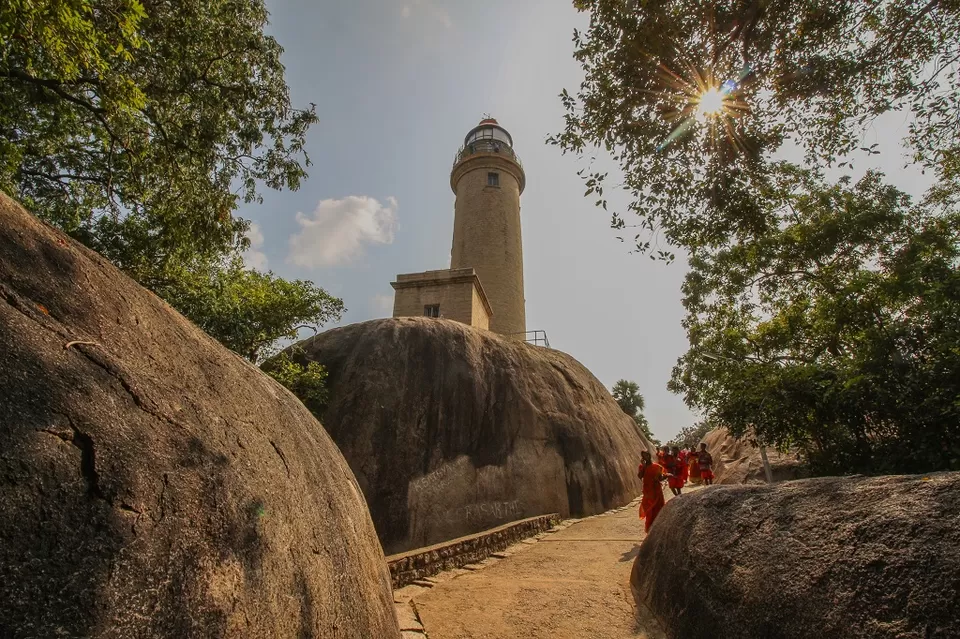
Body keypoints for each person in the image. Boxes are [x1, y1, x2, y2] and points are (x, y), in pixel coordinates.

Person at [637, 450, 669, 533]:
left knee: (658, 508)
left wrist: (666, 476)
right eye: (643, 456)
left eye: (646, 455)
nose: (645, 457)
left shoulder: (656, 466)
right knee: (649, 510)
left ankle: (658, 528)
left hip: (656, 491)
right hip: (648, 492)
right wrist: (644, 466)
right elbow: (640, 476)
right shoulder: (642, 467)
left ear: (649, 455)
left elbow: (660, 478)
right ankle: (650, 529)